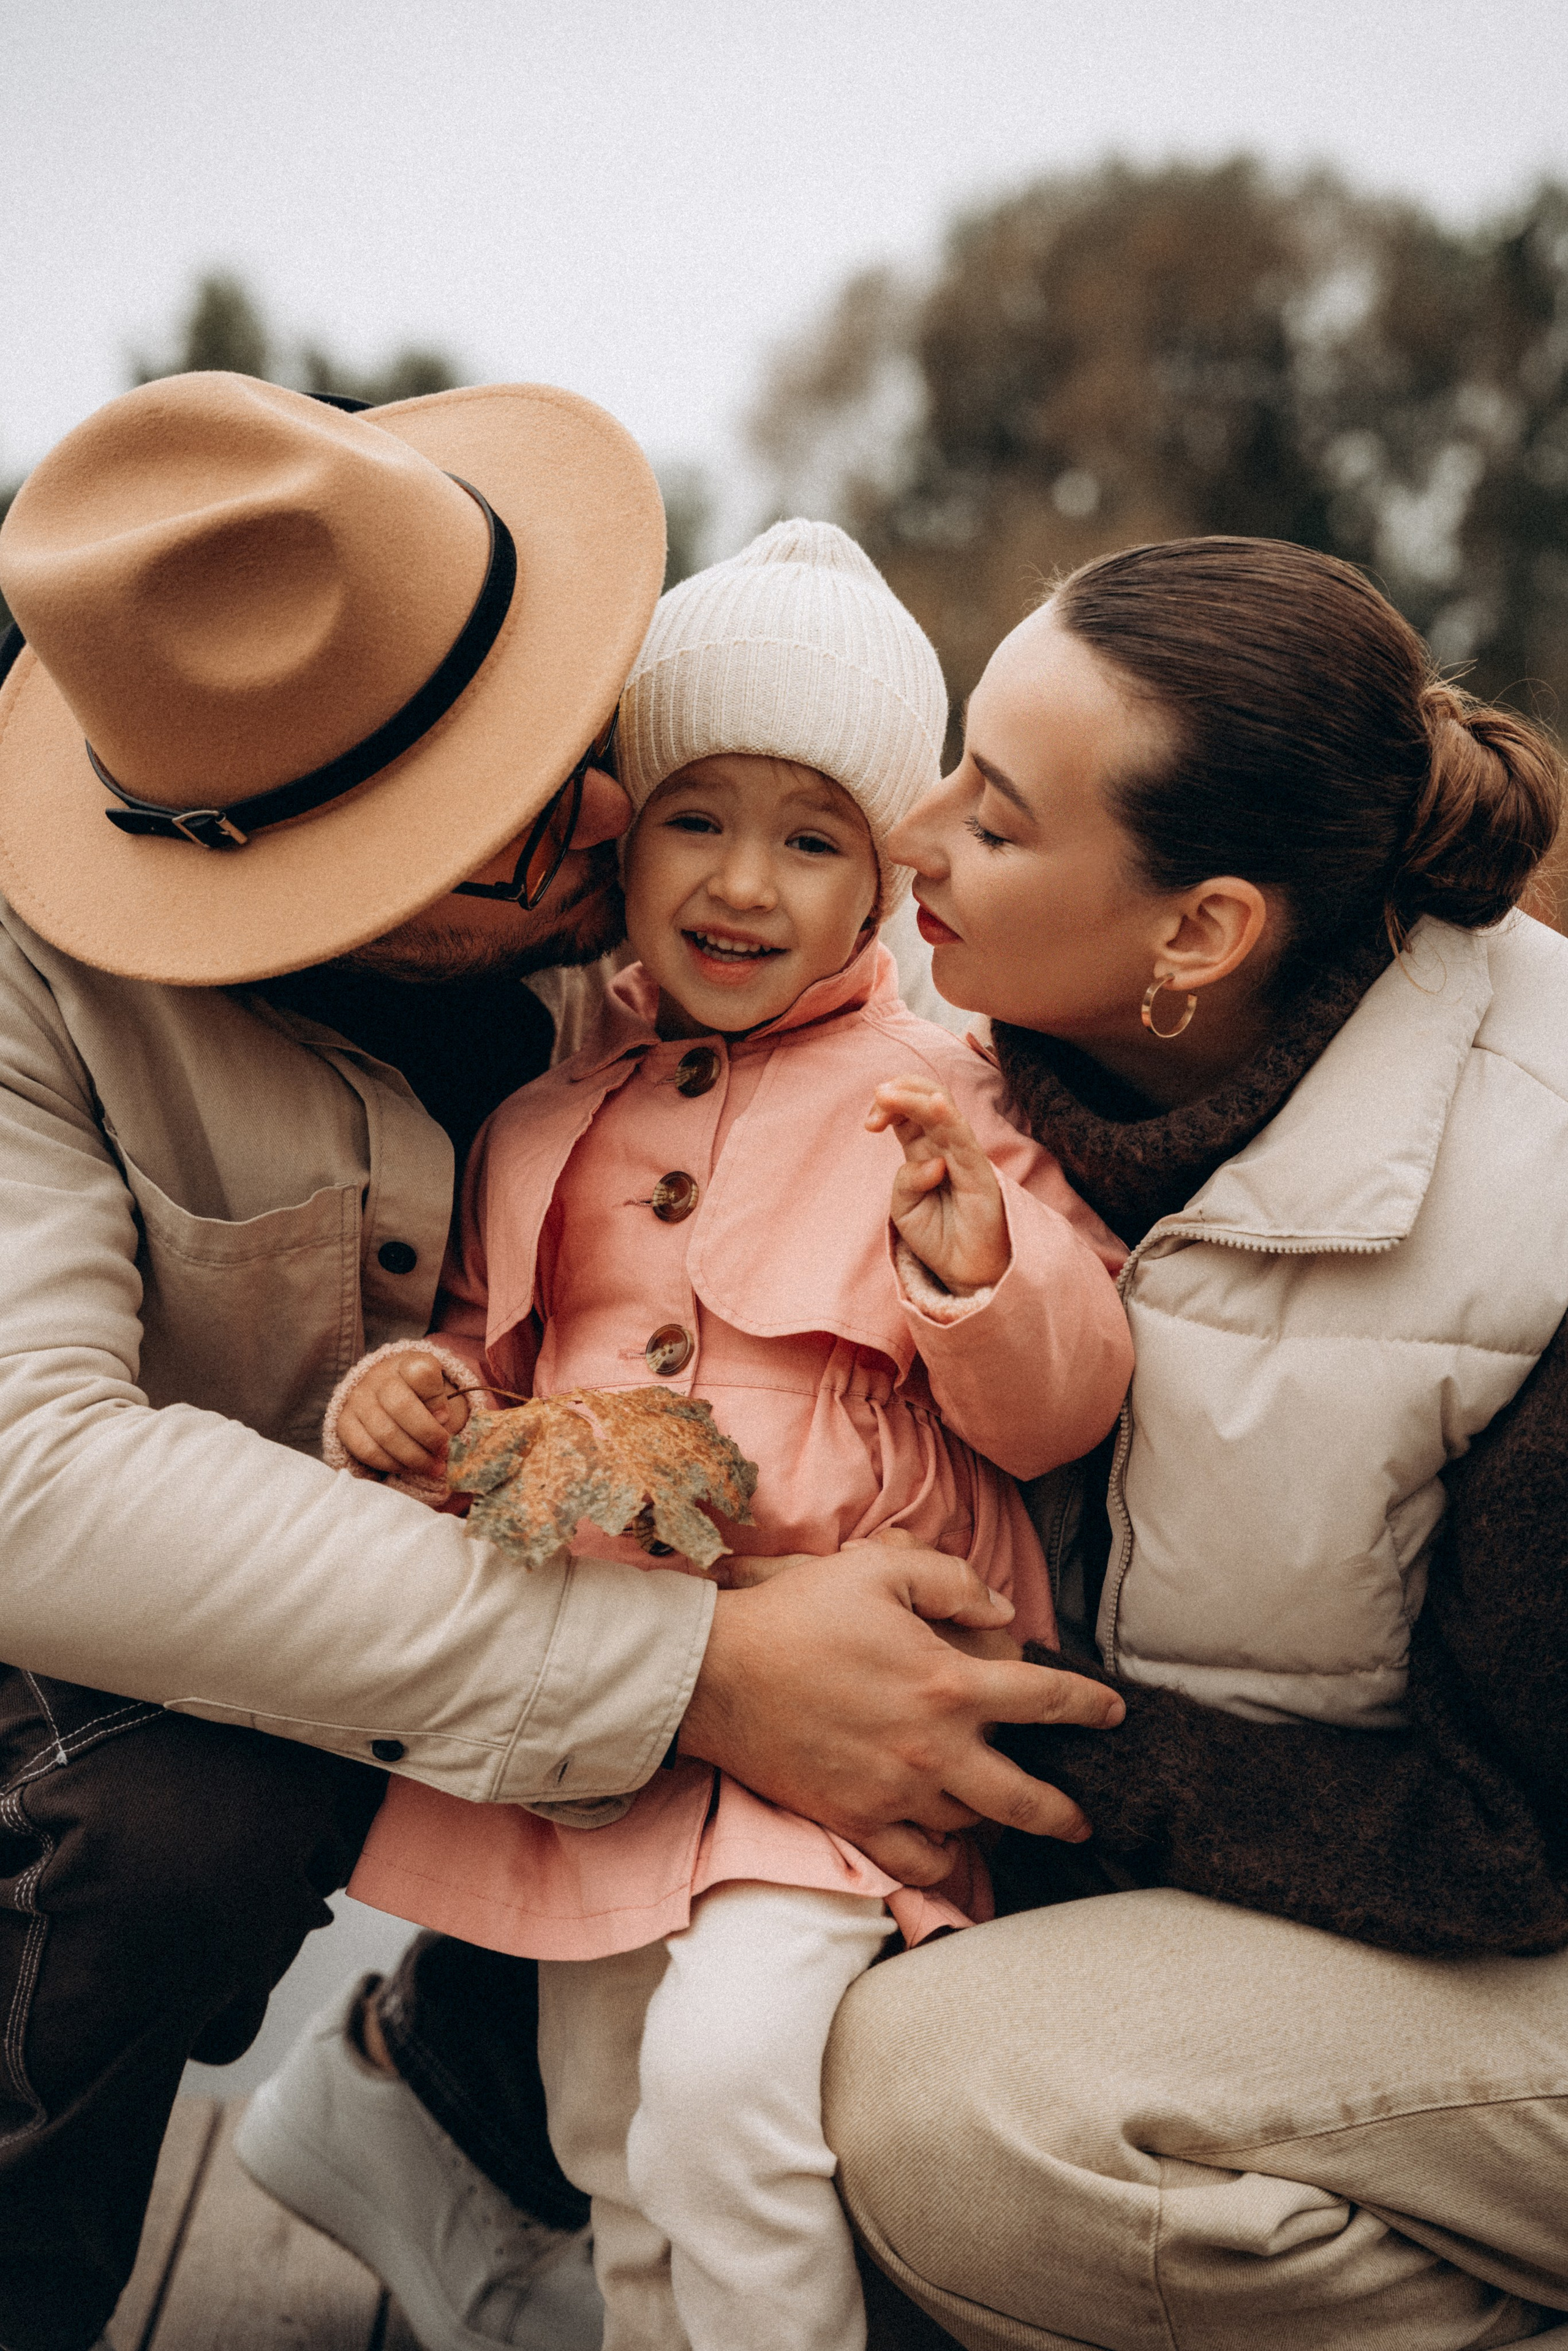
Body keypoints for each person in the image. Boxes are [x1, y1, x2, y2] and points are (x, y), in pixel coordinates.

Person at [0, 372, 1123, 2351]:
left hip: (645, 1664)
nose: (615, 824)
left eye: (570, 731)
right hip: (157, 1637)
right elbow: (41, 1489)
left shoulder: (753, 986)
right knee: (178, 1841)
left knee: (711, 2086)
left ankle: (431, 2105)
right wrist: (697, 1667)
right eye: (520, 816)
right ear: (321, 888)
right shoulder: (45, 986)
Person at [320, 520, 1133, 2351]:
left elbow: (1067, 1407)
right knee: (611, 2135)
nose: (744, 883)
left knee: (725, 2099)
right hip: (611, 1713)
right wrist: (412, 1408)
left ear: (883, 879)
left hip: (843, 1729)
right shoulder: (546, 1118)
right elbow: (487, 1370)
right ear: (628, 838)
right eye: (698, 816)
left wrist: (980, 1267)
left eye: (813, 838)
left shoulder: (949, 1100)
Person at [820, 535, 1568, 2350]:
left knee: (953, 2109)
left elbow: (1515, 1842)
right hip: (1345, 1897)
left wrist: (1004, 1738)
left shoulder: (1536, 1216)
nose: (909, 837)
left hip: (1529, 1910)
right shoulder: (967, 1072)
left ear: (1202, 933)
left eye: (994, 820)